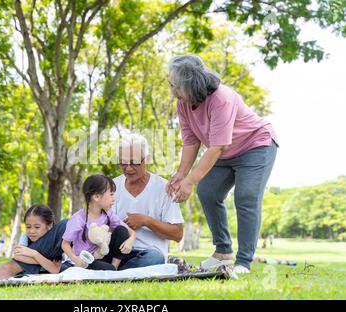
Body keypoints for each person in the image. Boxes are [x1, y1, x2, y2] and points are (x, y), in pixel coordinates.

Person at [166, 54, 278, 274]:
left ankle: (244, 261)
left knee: (246, 196)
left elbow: (217, 147)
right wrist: (181, 174)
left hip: (255, 145)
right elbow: (191, 140)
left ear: (189, 85)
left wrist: (189, 181)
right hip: (225, 152)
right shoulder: (183, 103)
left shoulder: (222, 98)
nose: (172, 91)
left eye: (175, 86)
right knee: (207, 191)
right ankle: (223, 252)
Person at [112, 133, 184, 270]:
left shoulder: (164, 188)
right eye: (123, 162)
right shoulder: (111, 187)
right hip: (117, 252)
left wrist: (146, 221)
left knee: (154, 259)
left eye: (134, 162)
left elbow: (178, 234)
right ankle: (116, 270)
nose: (128, 168)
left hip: (149, 253)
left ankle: (113, 271)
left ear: (147, 159)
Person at [0, 204, 68, 279]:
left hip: (46, 271)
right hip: (27, 270)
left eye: (37, 227)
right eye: (28, 227)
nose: (31, 231)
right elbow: (18, 256)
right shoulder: (25, 237)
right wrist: (45, 260)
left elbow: (54, 270)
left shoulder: (55, 243)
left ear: (49, 226)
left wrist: (33, 254)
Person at [61, 174, 136, 271]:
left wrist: (131, 239)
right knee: (106, 268)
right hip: (87, 261)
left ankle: (114, 269)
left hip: (103, 255)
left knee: (121, 230)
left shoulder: (108, 214)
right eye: (111, 194)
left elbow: (129, 231)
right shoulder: (78, 219)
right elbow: (65, 244)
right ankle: (110, 270)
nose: (113, 199)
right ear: (96, 196)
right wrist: (76, 260)